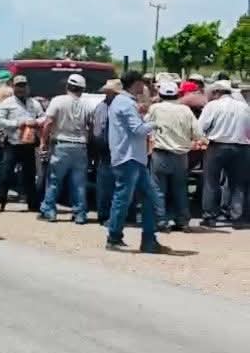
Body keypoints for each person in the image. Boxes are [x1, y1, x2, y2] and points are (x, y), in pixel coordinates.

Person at [106, 71, 168, 253]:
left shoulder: (123, 102)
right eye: (143, 83)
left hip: (132, 157)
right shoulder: (126, 103)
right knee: (124, 199)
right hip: (129, 157)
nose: (145, 86)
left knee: (147, 197)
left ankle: (148, 240)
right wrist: (155, 124)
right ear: (135, 83)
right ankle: (115, 237)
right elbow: (138, 129)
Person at [147, 81, 203, 232]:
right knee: (180, 189)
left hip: (160, 154)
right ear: (178, 94)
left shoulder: (155, 108)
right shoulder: (185, 110)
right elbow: (198, 133)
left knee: (158, 190)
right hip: (181, 156)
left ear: (160, 94)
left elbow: (145, 127)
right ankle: (182, 221)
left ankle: (161, 221)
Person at [39, 74, 92, 223]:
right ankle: (80, 214)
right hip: (80, 146)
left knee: (54, 180)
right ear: (82, 89)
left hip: (61, 145)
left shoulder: (58, 100)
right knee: (79, 183)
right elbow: (91, 126)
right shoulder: (87, 105)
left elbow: (48, 122)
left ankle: (49, 210)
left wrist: (43, 141)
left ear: (67, 86)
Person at [197, 80, 250, 227]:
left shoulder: (212, 106)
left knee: (211, 182)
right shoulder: (244, 106)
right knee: (238, 184)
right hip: (241, 148)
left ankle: (210, 216)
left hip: (217, 146)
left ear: (216, 92)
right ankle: (237, 217)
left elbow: (200, 128)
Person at [0, 75, 45, 213]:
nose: (21, 89)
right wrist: (17, 124)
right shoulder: (7, 103)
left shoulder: (34, 103)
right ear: (13, 87)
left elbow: (43, 117)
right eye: (18, 86)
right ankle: (0, 202)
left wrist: (36, 122)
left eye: (23, 86)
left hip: (29, 144)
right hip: (12, 143)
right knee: (6, 174)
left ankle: (33, 204)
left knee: (30, 175)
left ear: (27, 87)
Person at [91, 80, 120, 224]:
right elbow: (97, 132)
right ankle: (104, 215)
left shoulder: (119, 107)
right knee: (106, 185)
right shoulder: (102, 108)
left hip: (118, 150)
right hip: (106, 150)